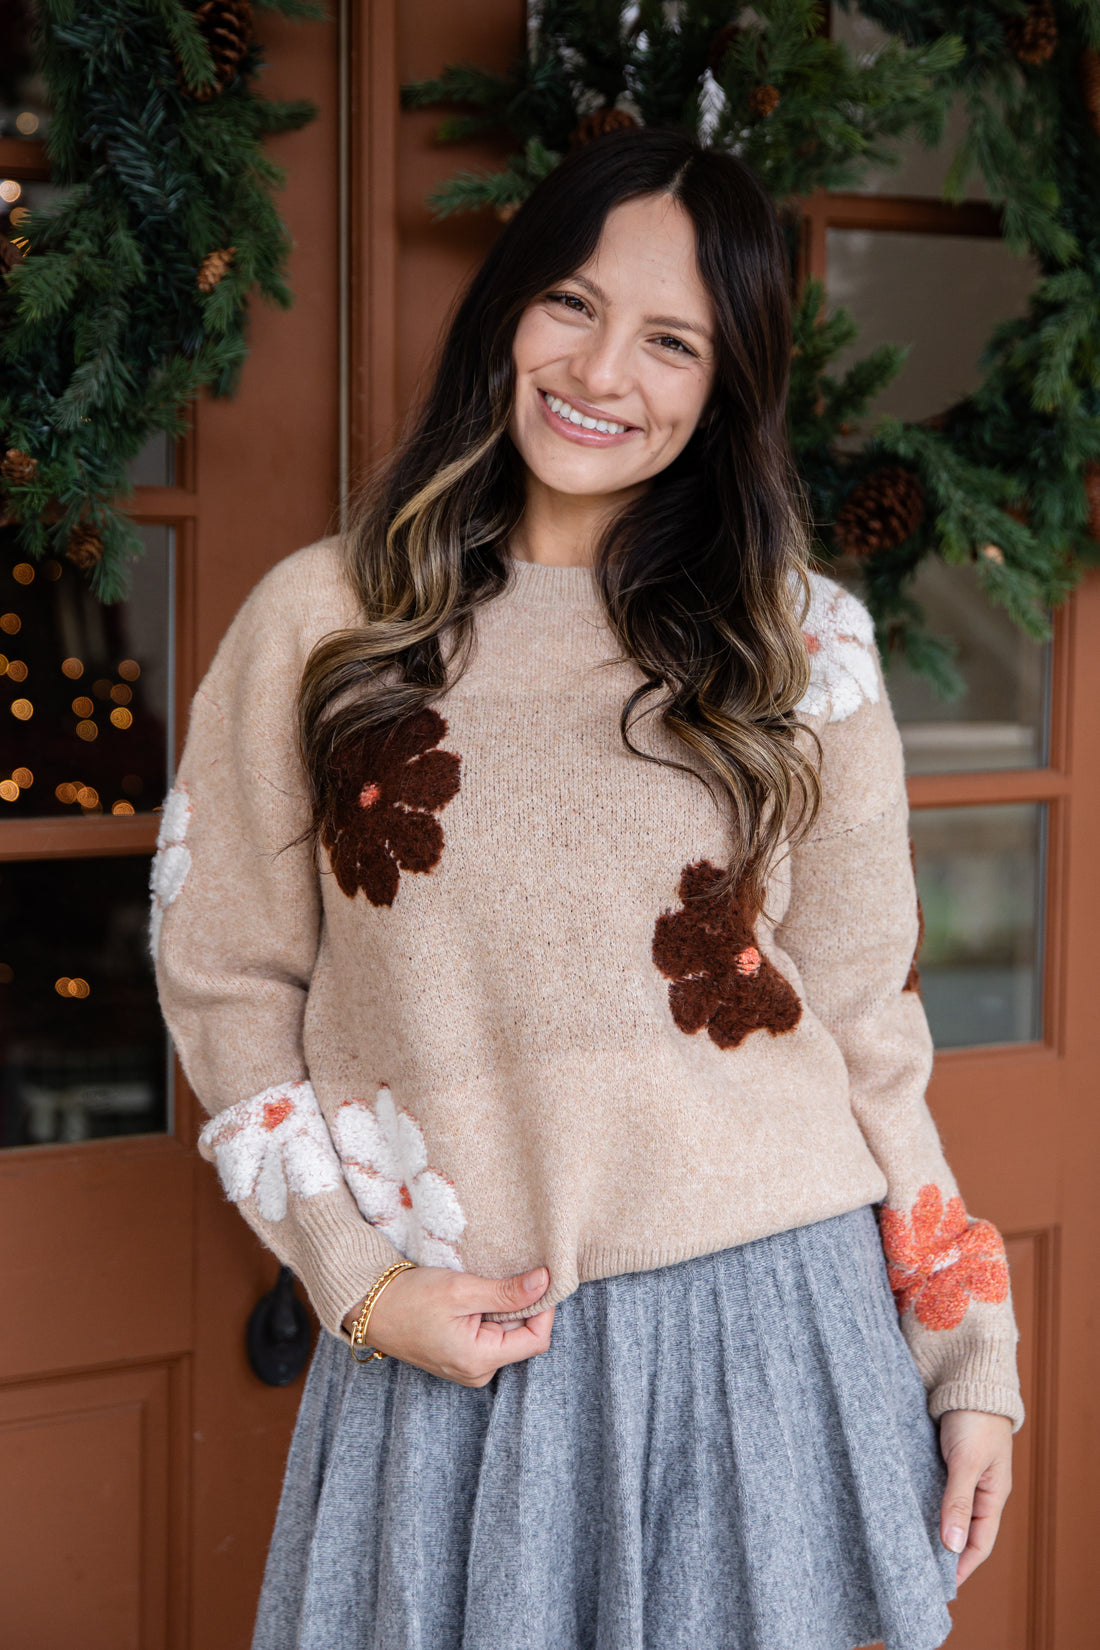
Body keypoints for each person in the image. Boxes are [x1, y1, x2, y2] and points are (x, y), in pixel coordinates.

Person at [152, 126, 1023, 1650]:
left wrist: (967, 1357)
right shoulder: (327, 623)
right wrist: (357, 1284)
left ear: (725, 382)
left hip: (772, 1335)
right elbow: (223, 977)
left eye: (672, 339)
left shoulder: (798, 644)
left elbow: (872, 1028)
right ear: (503, 313)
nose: (603, 368)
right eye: (569, 301)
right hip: (455, 1358)